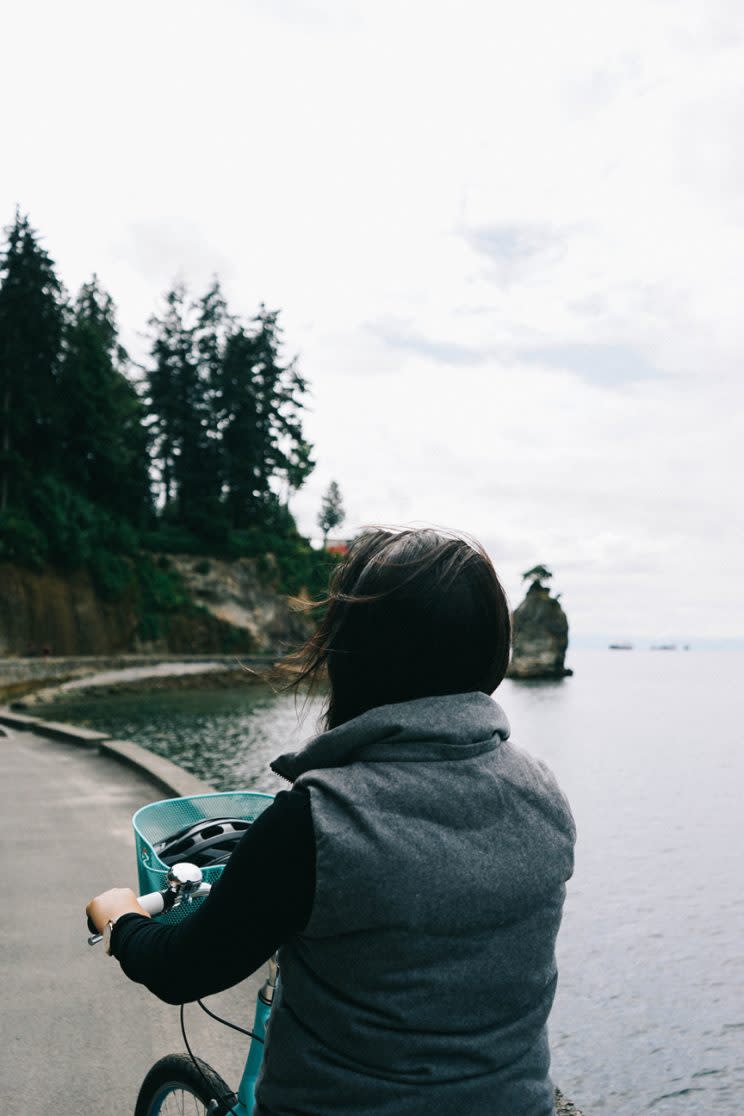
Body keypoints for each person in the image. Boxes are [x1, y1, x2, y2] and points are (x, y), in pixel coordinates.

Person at [87, 527, 576, 1116]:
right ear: (493, 652)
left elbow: (184, 967)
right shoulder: (544, 793)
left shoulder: (319, 820)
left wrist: (120, 921)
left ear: (356, 657)